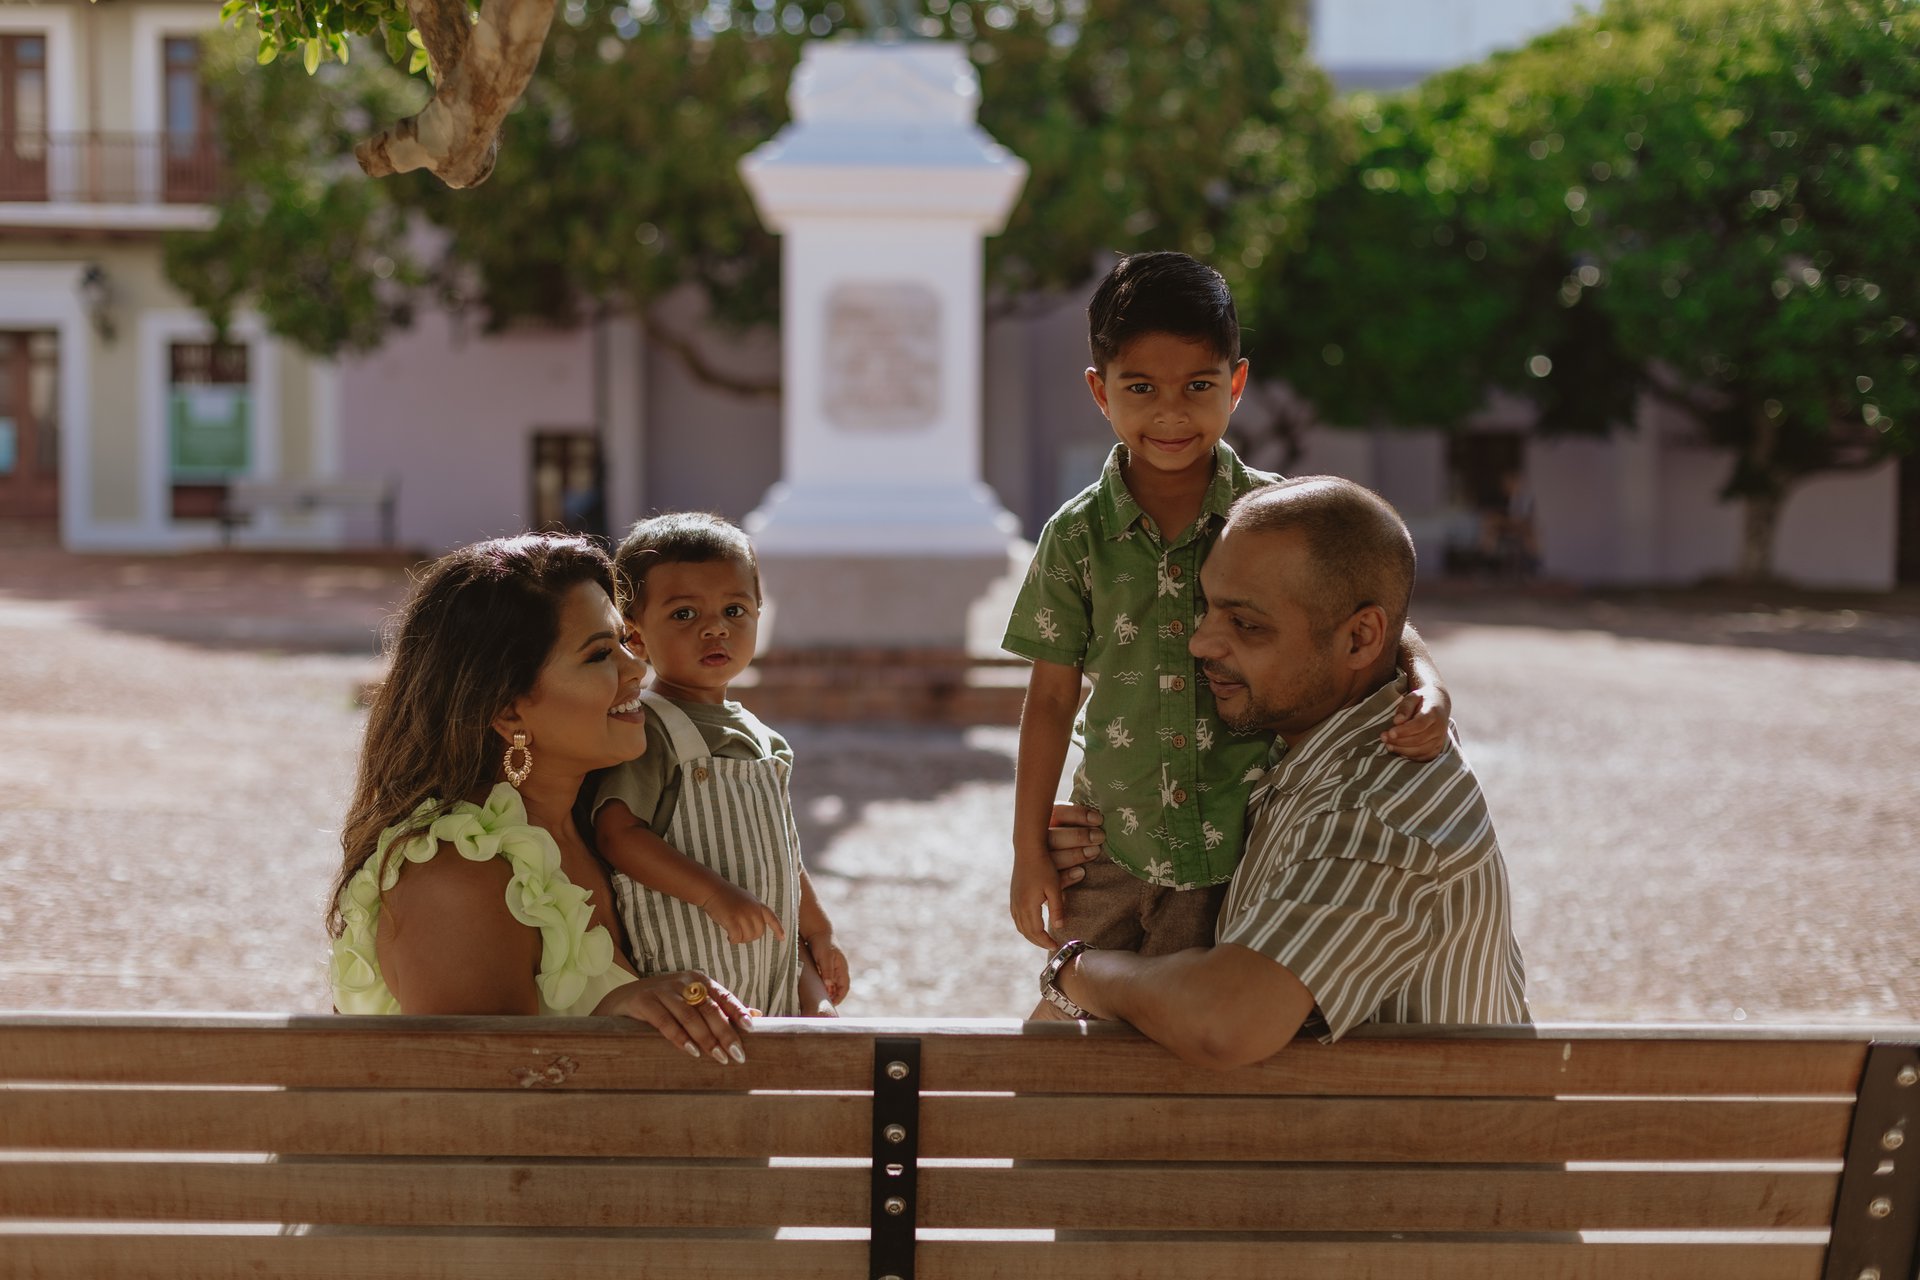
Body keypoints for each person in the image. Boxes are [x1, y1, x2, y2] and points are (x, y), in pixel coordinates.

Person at [1002, 250, 1454, 979]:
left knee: (1210, 1043)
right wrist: (1028, 851)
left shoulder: (1274, 519)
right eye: (1140, 387)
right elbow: (1051, 697)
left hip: (1244, 846)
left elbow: (1374, 621)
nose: (1171, 413)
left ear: (1236, 384)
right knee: (1072, 1023)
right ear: (1099, 391)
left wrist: (1428, 683)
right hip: (1112, 848)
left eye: (1199, 385)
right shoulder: (1076, 536)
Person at [1036, 478, 1530, 1066]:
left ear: (1361, 639)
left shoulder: (1379, 806)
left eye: (1247, 625)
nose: (1200, 643)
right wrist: (1111, 829)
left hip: (1406, 1152)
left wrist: (1078, 969)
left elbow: (1227, 1022)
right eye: (1207, 607)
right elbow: (1373, 617)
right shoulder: (1322, 726)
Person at [326, 534, 753, 1065]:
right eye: (599, 653)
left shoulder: (612, 832)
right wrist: (612, 1015)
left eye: (624, 642)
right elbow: (476, 1106)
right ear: (508, 712)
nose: (635, 669)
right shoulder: (458, 874)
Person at [590, 513, 849, 1018]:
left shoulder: (765, 739)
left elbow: (783, 851)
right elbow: (617, 835)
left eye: (734, 609)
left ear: (759, 614)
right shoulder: (649, 728)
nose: (715, 628)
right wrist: (714, 895)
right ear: (636, 636)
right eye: (685, 614)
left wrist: (819, 931)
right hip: (690, 983)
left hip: (769, 971)